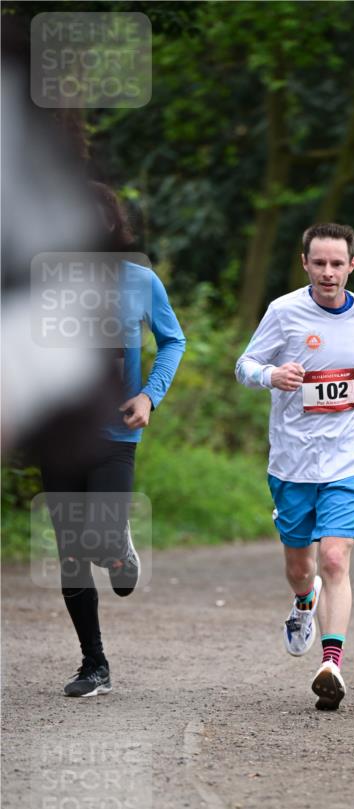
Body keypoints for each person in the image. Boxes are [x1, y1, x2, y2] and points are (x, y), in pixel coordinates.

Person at [236, 222, 354, 710]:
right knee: (301, 567)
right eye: (320, 263)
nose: (329, 273)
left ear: (352, 265)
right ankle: (302, 601)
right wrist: (271, 374)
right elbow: (244, 365)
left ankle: (331, 663)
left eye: (338, 264)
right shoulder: (283, 312)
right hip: (292, 460)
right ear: (305, 263)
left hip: (349, 458)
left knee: (335, 558)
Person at [40, 183, 186, 697]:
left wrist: (150, 396)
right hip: (58, 436)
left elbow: (173, 340)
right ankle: (94, 665)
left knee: (99, 535)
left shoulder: (139, 280)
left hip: (114, 432)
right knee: (71, 553)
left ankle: (119, 547)